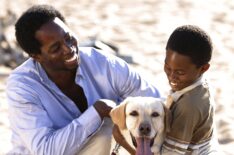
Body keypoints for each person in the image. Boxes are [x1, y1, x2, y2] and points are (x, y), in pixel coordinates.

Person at [6, 4, 160, 155]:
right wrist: (98, 111)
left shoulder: (103, 63)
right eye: (56, 48)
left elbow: (155, 102)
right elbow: (46, 150)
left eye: (68, 38)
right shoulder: (22, 86)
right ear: (36, 57)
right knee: (106, 133)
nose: (69, 49)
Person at [113, 25, 221, 155]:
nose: (172, 77)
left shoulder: (188, 106)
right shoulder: (197, 86)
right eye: (168, 68)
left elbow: (172, 153)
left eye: (180, 72)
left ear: (203, 68)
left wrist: (123, 142)